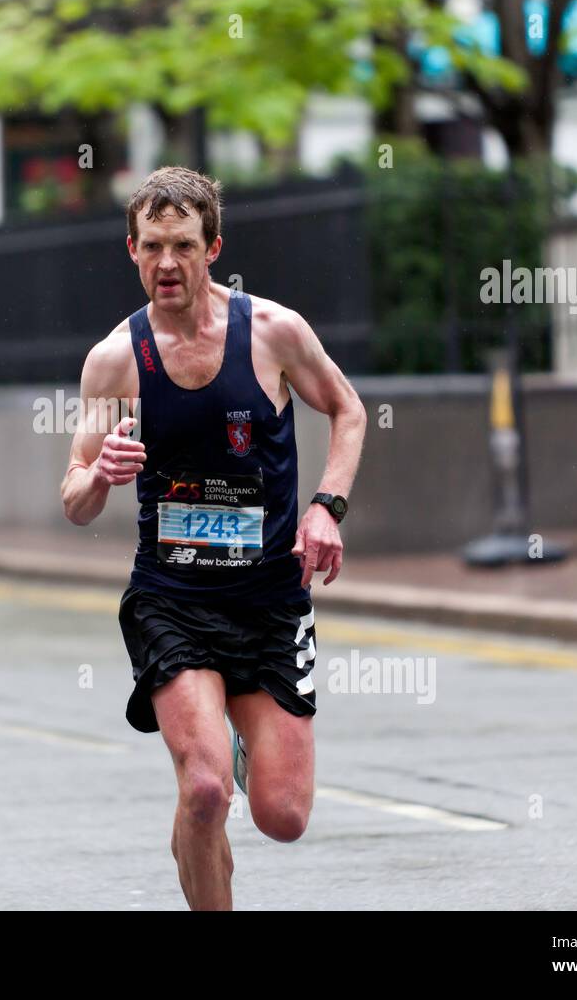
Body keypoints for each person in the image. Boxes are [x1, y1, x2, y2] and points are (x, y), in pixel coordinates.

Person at [61, 167, 367, 910]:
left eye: (184, 246)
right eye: (153, 247)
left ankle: (224, 760)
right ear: (131, 249)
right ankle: (203, 806)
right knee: (203, 790)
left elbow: (348, 410)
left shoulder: (273, 333)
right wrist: (100, 473)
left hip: (267, 597)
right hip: (172, 598)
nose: (168, 263)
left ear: (213, 248)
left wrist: (326, 506)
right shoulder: (114, 360)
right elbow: (73, 499)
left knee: (283, 816)